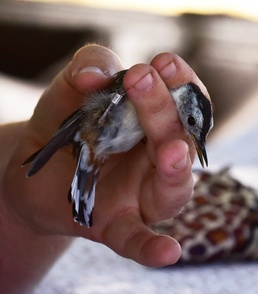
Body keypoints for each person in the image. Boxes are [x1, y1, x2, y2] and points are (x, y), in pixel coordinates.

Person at [0, 44, 209, 293]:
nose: (193, 133)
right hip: (93, 137)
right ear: (184, 99)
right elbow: (91, 111)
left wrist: (14, 211)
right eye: (192, 122)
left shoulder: (157, 99)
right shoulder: (136, 84)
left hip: (107, 148)